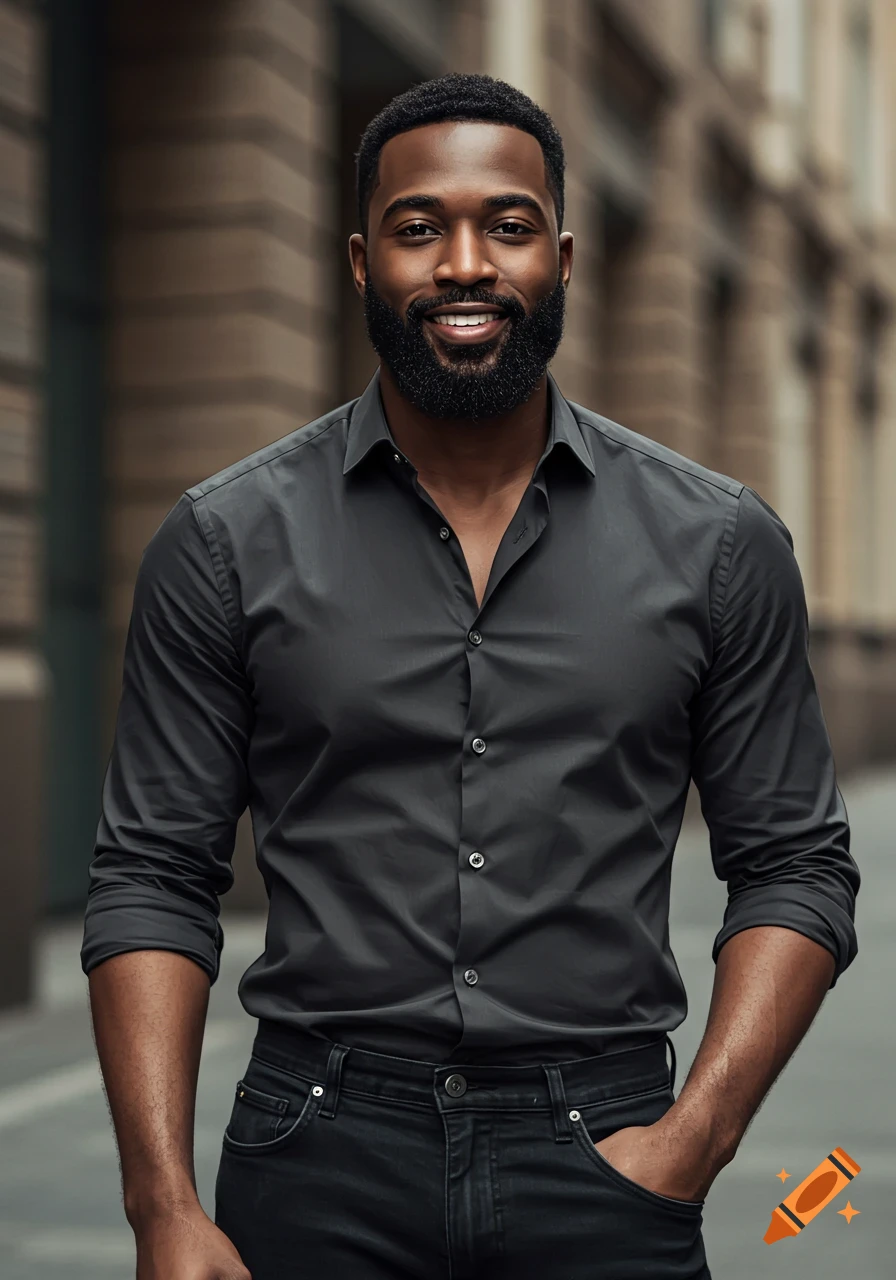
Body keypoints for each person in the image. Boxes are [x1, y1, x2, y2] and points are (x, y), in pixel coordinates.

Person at [81, 73, 860, 1280]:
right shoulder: (225, 539)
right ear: (359, 259)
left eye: (504, 226)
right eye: (415, 227)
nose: (461, 264)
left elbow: (795, 864)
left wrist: (694, 1139)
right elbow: (151, 874)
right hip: (315, 1147)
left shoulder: (716, 542)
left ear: (559, 255)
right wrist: (162, 1205)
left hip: (603, 1149)